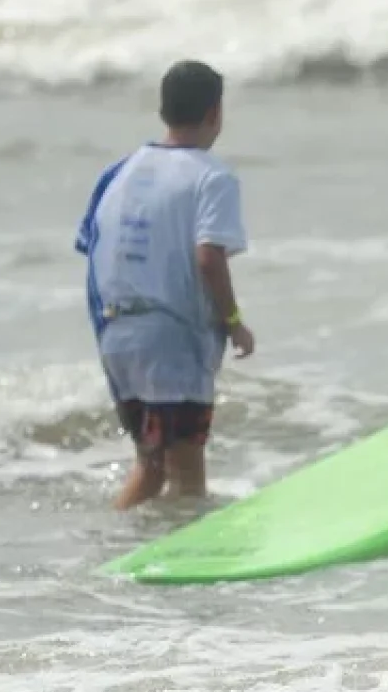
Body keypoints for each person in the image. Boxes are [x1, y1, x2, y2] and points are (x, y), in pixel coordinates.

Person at [73, 59, 255, 510]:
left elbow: (92, 248)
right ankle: (190, 572)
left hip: (116, 333)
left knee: (151, 467)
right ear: (215, 112)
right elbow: (209, 257)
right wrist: (234, 321)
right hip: (171, 341)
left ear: (163, 110)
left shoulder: (118, 172)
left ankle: (111, 547)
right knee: (189, 476)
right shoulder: (212, 177)